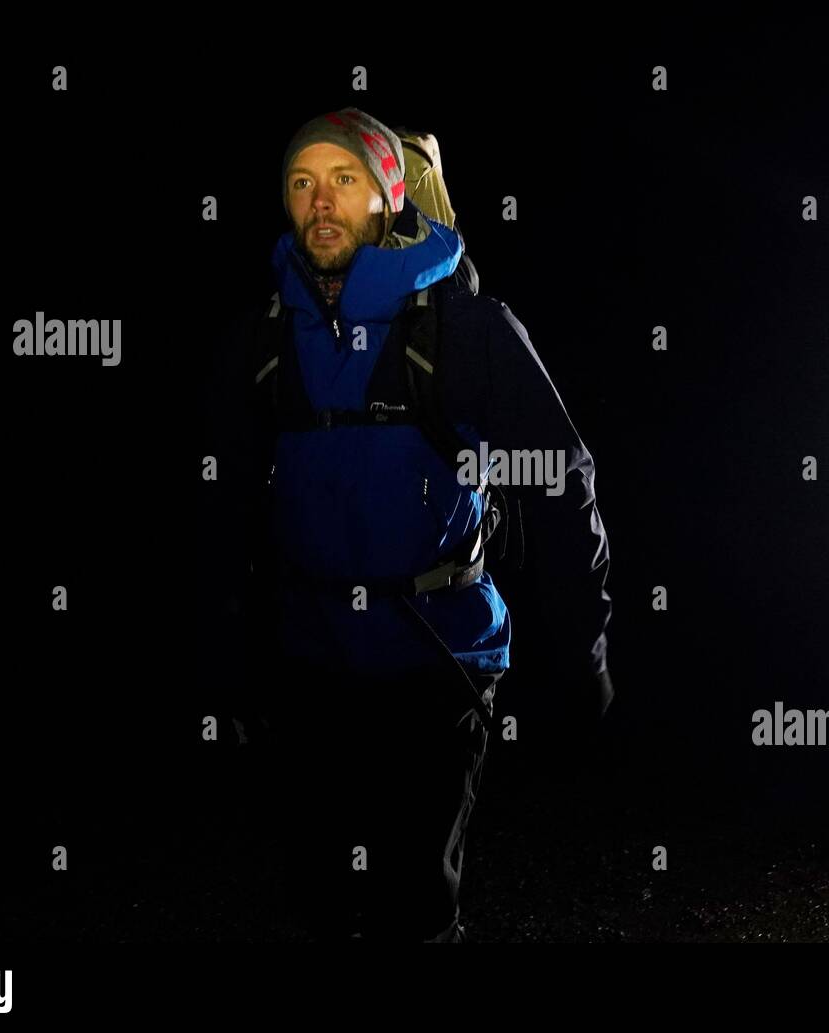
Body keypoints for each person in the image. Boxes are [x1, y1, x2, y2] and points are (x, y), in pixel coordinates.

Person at [201, 107, 614, 942]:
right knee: (314, 899)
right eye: (301, 182)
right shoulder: (262, 338)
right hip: (308, 666)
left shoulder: (464, 330)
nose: (321, 201)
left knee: (413, 904)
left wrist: (581, 655)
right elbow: (219, 510)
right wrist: (227, 660)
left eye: (344, 181)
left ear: (389, 198)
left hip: (437, 665)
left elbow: (562, 486)